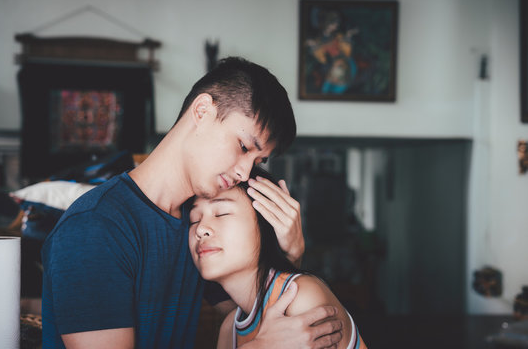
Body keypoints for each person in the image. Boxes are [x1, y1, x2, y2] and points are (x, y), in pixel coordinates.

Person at [42, 57, 343, 348]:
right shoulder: (94, 229)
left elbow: (253, 319)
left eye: (257, 160)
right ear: (202, 111)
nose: (244, 171)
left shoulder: (199, 225)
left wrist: (289, 253)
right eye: (243, 146)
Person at [189, 167, 368, 349]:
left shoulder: (301, 298)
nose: (200, 229)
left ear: (266, 224)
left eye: (221, 213)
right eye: (194, 219)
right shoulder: (229, 329)